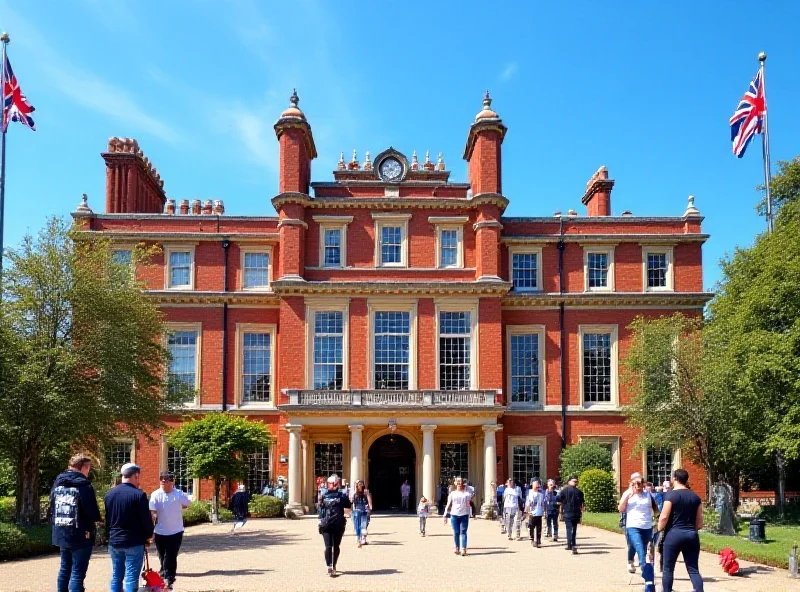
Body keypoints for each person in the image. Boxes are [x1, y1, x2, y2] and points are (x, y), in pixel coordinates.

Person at [49, 453, 102, 592]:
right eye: (88, 468)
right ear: (84, 467)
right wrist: (98, 520)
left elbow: (51, 504)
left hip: (61, 531)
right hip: (81, 533)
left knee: (65, 568)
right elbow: (92, 511)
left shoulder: (58, 483)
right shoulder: (84, 485)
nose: (88, 472)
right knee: (78, 572)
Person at [104, 463, 154, 592]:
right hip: (134, 541)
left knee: (116, 575)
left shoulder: (109, 494)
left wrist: (107, 536)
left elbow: (108, 519)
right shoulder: (139, 495)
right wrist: (149, 535)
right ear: (136, 475)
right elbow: (146, 520)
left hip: (115, 540)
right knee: (131, 576)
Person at [657, 469, 704, 592]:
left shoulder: (671, 495)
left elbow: (664, 516)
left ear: (675, 479)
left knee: (668, 568)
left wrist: (659, 528)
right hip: (691, 535)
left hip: (673, 534)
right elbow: (699, 523)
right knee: (693, 569)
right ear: (686, 480)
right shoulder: (696, 497)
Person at [149, 471, 191, 589]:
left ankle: (169, 576)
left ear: (172, 482)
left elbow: (187, 504)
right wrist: (151, 530)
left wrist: (177, 507)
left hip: (176, 530)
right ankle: (164, 571)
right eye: (162, 480)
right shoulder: (155, 494)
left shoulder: (178, 494)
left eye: (166, 480)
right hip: (160, 530)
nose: (164, 482)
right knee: (162, 554)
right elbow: (153, 512)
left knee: (171, 554)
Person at [619, 476, 658, 588]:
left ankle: (633, 561)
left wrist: (657, 519)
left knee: (638, 547)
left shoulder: (648, 495)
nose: (638, 486)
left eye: (640, 484)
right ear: (631, 484)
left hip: (646, 527)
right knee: (640, 550)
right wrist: (628, 494)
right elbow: (621, 508)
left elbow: (655, 509)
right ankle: (647, 577)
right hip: (632, 526)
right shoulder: (628, 494)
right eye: (635, 484)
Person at [318, 474, 352, 577]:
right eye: (328, 483)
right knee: (328, 546)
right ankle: (329, 566)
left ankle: (334, 565)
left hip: (338, 523)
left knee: (336, 546)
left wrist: (349, 497)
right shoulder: (323, 494)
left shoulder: (342, 495)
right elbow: (320, 508)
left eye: (331, 483)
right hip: (326, 523)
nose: (329, 485)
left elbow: (348, 507)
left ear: (336, 483)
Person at [443, 477, 473, 556]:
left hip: (464, 515)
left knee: (463, 532)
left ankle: (463, 549)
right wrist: (445, 515)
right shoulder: (452, 493)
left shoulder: (467, 494)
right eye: (457, 481)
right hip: (454, 515)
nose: (459, 482)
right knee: (456, 532)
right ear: (455, 483)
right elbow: (448, 504)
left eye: (460, 481)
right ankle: (457, 548)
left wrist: (470, 513)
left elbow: (470, 502)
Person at [557, 475, 584, 554]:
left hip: (568, 512)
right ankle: (573, 544)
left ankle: (570, 545)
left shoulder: (565, 490)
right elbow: (582, 503)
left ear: (569, 482)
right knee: (574, 529)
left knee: (569, 529)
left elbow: (558, 498)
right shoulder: (579, 492)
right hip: (576, 513)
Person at [650, 479, 671, 563]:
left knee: (661, 539)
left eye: (668, 487)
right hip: (659, 518)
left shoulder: (670, 496)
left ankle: (660, 557)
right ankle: (656, 557)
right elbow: (657, 507)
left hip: (665, 519)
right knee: (657, 539)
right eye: (666, 487)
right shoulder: (659, 495)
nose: (667, 488)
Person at [349, 479, 372, 547]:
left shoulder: (366, 493)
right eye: (358, 484)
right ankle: (358, 539)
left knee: (364, 526)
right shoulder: (354, 494)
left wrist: (370, 508)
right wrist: (350, 512)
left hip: (365, 511)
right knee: (357, 526)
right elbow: (351, 503)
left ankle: (363, 538)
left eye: (361, 484)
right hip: (357, 512)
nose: (360, 486)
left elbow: (369, 502)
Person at [525, 479, 545, 547]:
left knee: (539, 528)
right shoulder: (529, 493)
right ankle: (532, 539)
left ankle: (538, 540)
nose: (537, 486)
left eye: (538, 484)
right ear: (532, 485)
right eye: (535, 485)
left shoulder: (541, 493)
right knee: (531, 527)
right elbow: (527, 503)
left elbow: (543, 503)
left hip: (539, 513)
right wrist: (527, 512)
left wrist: (544, 511)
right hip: (532, 513)